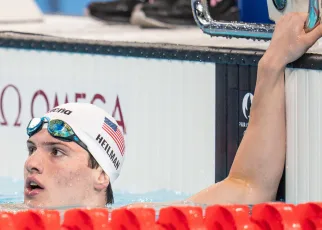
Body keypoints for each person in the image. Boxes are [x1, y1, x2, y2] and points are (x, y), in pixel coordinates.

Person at [3, 11, 322, 209]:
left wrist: (272, 63)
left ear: (101, 174)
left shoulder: (149, 219)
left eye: (56, 151)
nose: (31, 163)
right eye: (32, 149)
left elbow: (249, 185)